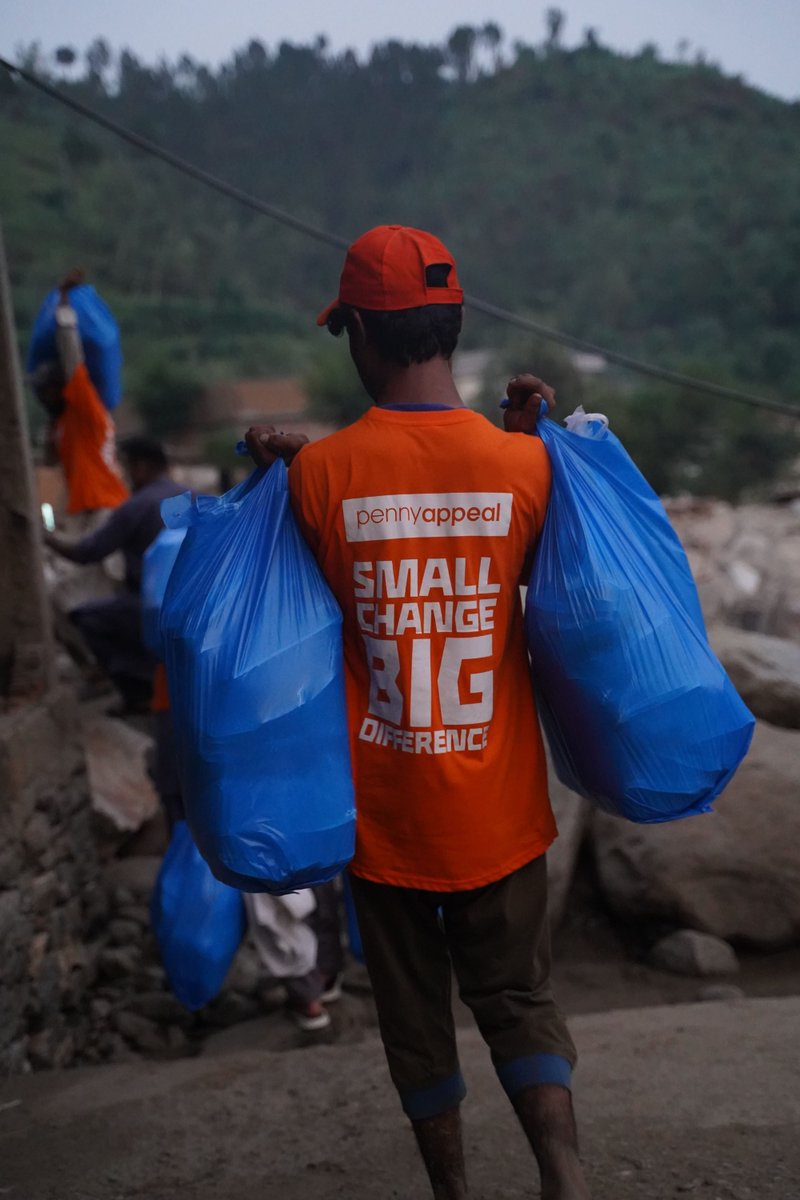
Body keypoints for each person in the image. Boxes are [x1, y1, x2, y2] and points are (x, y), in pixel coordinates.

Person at [245, 225, 590, 1199]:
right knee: (518, 998)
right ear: (452, 324)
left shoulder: (319, 476)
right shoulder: (527, 467)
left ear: (358, 332)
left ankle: (452, 1194)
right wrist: (524, 432)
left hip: (386, 811)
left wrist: (261, 456)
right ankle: (563, 1176)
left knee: (414, 1016)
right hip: (500, 804)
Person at [44, 435, 186, 714]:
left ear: (141, 467)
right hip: (200, 606)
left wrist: (45, 537)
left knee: (89, 617)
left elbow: (85, 553)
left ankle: (139, 691)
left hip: (155, 609)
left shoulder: (138, 505)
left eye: (127, 467)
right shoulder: (193, 496)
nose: (125, 475)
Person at [30, 270, 129, 522]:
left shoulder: (86, 406)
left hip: (104, 506)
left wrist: (64, 306)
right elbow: (49, 461)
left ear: (61, 387)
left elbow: (72, 359)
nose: (44, 397)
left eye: (47, 390)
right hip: (88, 507)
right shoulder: (65, 423)